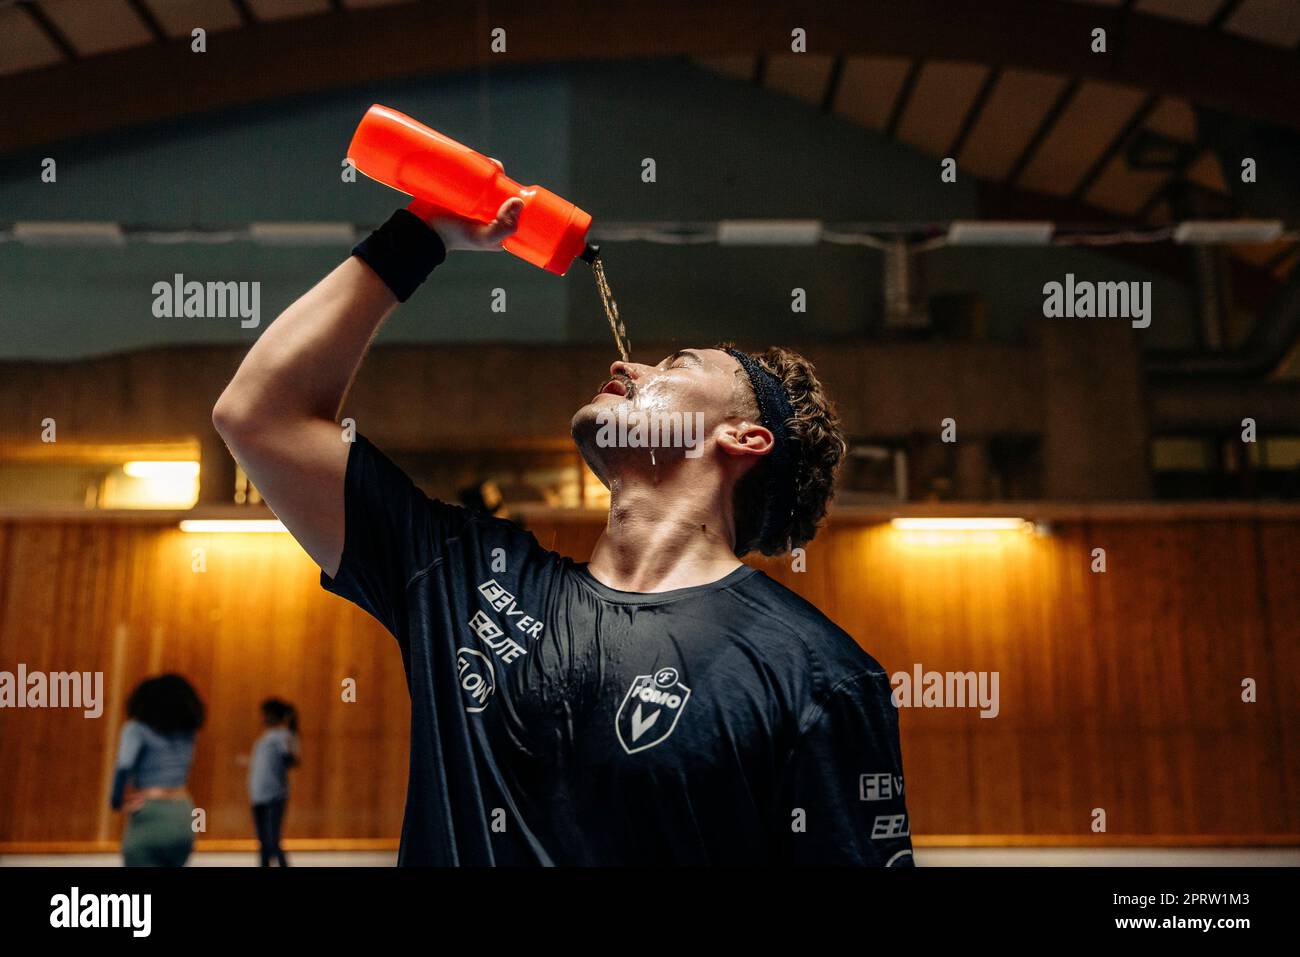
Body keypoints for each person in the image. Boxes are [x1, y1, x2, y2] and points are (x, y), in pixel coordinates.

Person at [212, 177, 913, 866]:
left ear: (743, 439)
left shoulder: (820, 676)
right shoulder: (470, 581)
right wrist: (421, 233)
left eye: (677, 363)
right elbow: (259, 416)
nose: (623, 363)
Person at [110, 674, 204, 867]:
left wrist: (117, 802)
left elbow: (124, 766)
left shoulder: (136, 729)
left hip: (151, 810)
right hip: (184, 812)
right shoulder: (188, 732)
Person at [248, 698, 299, 867]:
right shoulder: (266, 738)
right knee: (263, 843)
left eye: (265, 714)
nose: (262, 718)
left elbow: (291, 760)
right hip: (258, 795)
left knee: (273, 841)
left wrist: (290, 739)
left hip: (274, 796)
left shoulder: (284, 736)